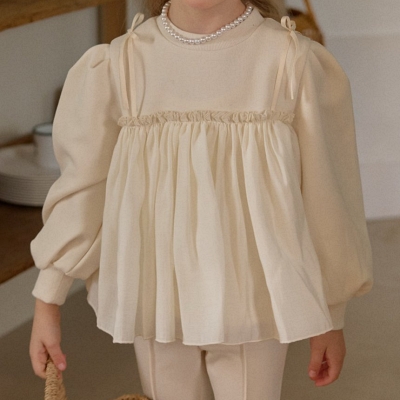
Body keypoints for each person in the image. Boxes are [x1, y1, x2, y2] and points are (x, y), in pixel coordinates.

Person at [29, 1, 374, 399]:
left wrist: (332, 313)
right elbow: (84, 189)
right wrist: (48, 298)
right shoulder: (120, 64)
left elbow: (327, 197)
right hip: (156, 297)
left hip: (254, 302)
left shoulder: (290, 61)